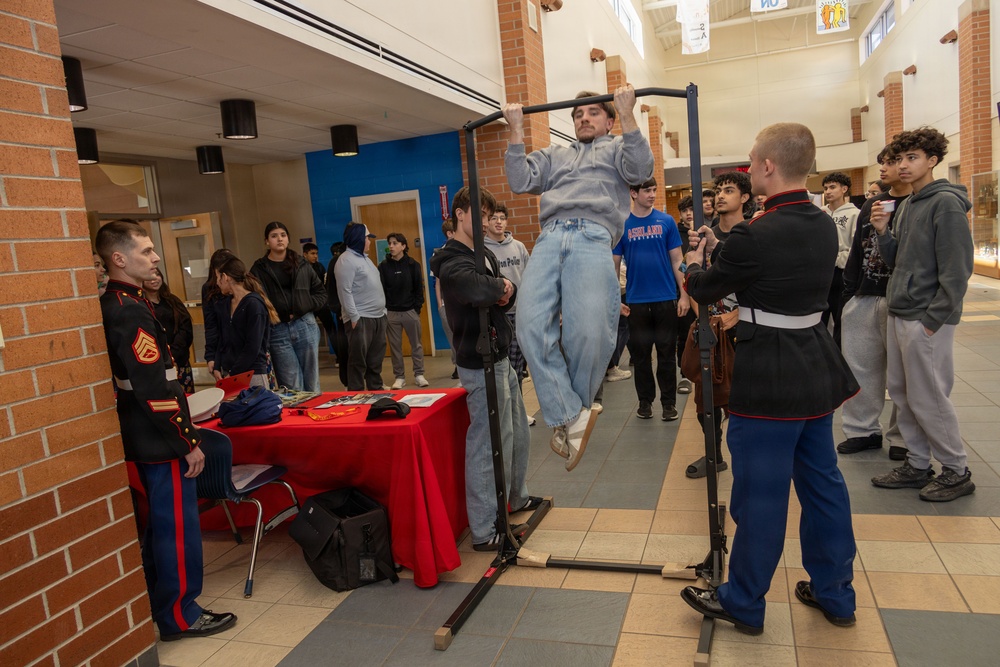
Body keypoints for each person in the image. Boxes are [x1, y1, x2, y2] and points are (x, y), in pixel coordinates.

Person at [680, 123, 859, 635]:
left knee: (761, 493)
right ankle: (835, 592)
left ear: (766, 166)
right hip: (815, 367)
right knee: (823, 485)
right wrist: (724, 245)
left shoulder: (755, 234)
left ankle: (743, 600)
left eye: (752, 159)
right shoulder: (823, 223)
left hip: (769, 376)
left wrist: (694, 262)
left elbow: (706, 288)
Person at [96, 220, 236, 641]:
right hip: (159, 436)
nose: (156, 257)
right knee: (177, 529)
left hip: (147, 431)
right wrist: (186, 440)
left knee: (163, 526)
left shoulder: (124, 301)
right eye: (145, 251)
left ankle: (166, 607)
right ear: (119, 259)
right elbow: (153, 386)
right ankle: (180, 615)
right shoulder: (129, 309)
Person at [503, 84, 654, 469]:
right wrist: (516, 129)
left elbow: (641, 170)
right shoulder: (555, 154)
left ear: (609, 120)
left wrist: (628, 113)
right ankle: (573, 414)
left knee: (588, 333)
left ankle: (571, 414)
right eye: (577, 114)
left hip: (593, 235)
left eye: (593, 113)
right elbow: (520, 181)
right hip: (550, 237)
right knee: (529, 327)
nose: (583, 118)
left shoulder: (617, 148)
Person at [430, 186, 539, 549]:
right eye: (478, 214)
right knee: (487, 442)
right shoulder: (450, 258)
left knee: (516, 433)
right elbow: (474, 288)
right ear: (459, 215)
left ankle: (516, 498)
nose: (485, 221)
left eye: (488, 215)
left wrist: (505, 289)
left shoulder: (483, 254)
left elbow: (506, 291)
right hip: (479, 362)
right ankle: (483, 528)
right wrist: (500, 286)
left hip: (500, 352)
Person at [870, 127, 976, 502]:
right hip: (901, 311)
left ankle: (956, 470)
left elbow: (957, 271)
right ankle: (917, 464)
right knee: (902, 394)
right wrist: (883, 232)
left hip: (925, 318)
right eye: (899, 158)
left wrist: (933, 321)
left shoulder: (945, 203)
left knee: (929, 396)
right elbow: (897, 260)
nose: (903, 165)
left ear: (932, 160)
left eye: (912, 157)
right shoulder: (909, 204)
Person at [837, 146, 911, 458]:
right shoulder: (872, 203)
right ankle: (862, 430)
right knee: (860, 368)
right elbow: (858, 249)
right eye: (884, 162)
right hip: (865, 294)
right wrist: (849, 293)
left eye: (892, 162)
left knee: (904, 376)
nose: (884, 168)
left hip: (901, 299)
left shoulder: (918, 203)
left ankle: (903, 438)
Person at [613, 178, 689, 421]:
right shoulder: (623, 224)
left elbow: (677, 260)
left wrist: (684, 294)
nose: (653, 194)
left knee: (666, 355)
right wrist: (614, 299)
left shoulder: (666, 221)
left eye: (655, 190)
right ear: (633, 193)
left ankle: (668, 404)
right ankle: (645, 402)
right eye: (647, 190)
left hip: (665, 299)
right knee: (641, 356)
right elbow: (613, 265)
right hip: (636, 301)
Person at [250, 222, 327, 393]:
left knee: (312, 382)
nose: (279, 239)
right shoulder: (259, 269)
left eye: (283, 235)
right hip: (277, 330)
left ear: (288, 239)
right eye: (274, 236)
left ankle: (314, 409)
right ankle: (298, 411)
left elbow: (321, 293)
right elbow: (255, 300)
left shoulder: (301, 263)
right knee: (291, 385)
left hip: (305, 325)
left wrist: (305, 306)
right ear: (266, 241)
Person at [210, 257, 279, 387]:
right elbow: (222, 339)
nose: (217, 283)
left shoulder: (254, 304)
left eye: (218, 278)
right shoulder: (225, 304)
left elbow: (253, 346)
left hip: (252, 373)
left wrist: (233, 373)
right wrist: (217, 366)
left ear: (225, 277)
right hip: (230, 373)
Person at [335, 223, 388, 391]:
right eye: (367, 238)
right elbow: (345, 291)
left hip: (378, 316)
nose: (369, 242)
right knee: (358, 360)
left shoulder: (366, 259)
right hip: (361, 318)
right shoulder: (346, 260)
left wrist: (383, 311)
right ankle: (356, 392)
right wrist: (354, 316)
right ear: (358, 238)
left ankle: (375, 388)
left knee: (375, 359)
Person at [484, 203, 531, 384]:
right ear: (487, 222)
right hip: (498, 314)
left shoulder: (519, 247)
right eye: (494, 218)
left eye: (502, 218)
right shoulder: (482, 249)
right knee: (503, 365)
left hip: (520, 313)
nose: (499, 222)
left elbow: (529, 277)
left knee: (519, 364)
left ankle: (518, 400)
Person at [378, 232, 428, 388]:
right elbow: (381, 290)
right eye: (389, 243)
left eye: (395, 243)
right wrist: (385, 309)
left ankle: (419, 374)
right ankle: (399, 377)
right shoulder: (383, 266)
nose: (391, 246)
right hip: (391, 312)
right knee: (395, 347)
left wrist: (416, 308)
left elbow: (418, 289)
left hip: (410, 311)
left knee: (416, 345)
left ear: (403, 246)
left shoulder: (413, 265)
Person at [820, 172, 860, 347]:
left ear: (844, 189)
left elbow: (855, 246)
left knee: (840, 318)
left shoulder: (854, 214)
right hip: (822, 273)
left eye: (832, 187)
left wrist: (837, 258)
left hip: (841, 272)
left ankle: (840, 354)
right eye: (825, 188)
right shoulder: (820, 213)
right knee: (819, 317)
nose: (828, 191)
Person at [143, 267, 194, 394]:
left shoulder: (172, 300)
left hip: (180, 359)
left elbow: (185, 327)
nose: (154, 279)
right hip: (158, 364)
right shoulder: (140, 305)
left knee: (187, 398)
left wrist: (174, 355)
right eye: (150, 276)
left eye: (157, 275)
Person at [432, 219, 459, 380]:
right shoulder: (439, 254)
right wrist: (440, 305)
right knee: (452, 337)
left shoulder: (463, 249)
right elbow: (438, 283)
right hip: (446, 304)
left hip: (462, 302)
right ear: (450, 233)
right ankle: (457, 365)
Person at [303, 242, 337, 357]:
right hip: (308, 306)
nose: (315, 256)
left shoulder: (319, 267)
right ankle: (310, 358)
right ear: (305, 254)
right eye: (312, 253)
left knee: (332, 330)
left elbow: (325, 284)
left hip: (321, 304)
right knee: (309, 333)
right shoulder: (299, 268)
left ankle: (340, 357)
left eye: (316, 253)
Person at [325, 240, 350, 388]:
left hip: (363, 312)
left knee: (365, 349)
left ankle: (371, 379)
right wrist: (338, 309)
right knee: (345, 348)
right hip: (344, 313)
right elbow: (331, 288)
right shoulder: (336, 261)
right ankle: (347, 382)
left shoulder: (361, 259)